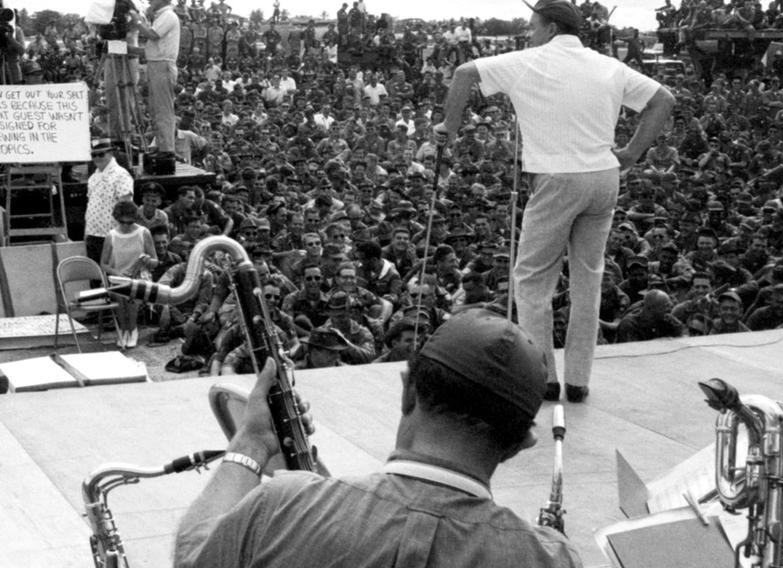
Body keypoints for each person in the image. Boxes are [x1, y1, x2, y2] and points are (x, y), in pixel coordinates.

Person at [174, 310, 581, 567]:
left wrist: (250, 445)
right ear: (522, 443)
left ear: (407, 391)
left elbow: (194, 556)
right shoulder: (549, 558)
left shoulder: (282, 505)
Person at [434, 0, 674, 402]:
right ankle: (579, 380)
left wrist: (450, 126)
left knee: (531, 281)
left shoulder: (530, 60)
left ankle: (542, 377)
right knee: (589, 279)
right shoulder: (607, 64)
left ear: (549, 29)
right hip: (603, 177)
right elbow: (663, 99)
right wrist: (631, 153)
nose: (529, 34)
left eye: (532, 27)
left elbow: (463, 73)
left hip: (557, 177)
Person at [101, 200, 157, 349]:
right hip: (119, 276)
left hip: (140, 275)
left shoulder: (143, 233)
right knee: (120, 291)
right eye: (122, 222)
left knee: (131, 291)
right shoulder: (111, 236)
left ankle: (132, 329)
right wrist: (118, 273)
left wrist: (147, 260)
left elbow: (155, 260)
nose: (126, 225)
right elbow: (104, 264)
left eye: (129, 222)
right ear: (117, 219)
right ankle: (124, 329)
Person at [132, 0, 180, 156]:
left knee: (163, 109)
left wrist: (137, 20)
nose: (150, 1)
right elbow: (151, 49)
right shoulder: (161, 16)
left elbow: (152, 35)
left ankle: (167, 149)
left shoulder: (168, 15)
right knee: (155, 109)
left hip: (162, 65)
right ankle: (161, 145)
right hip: (156, 64)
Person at [84, 139, 134, 265]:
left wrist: (123, 234)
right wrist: (86, 232)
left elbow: (126, 206)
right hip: (93, 234)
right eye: (94, 155)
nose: (97, 158)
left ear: (111, 153)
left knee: (113, 274)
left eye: (101, 154)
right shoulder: (93, 177)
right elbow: (90, 205)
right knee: (95, 274)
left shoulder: (121, 174)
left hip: (112, 235)